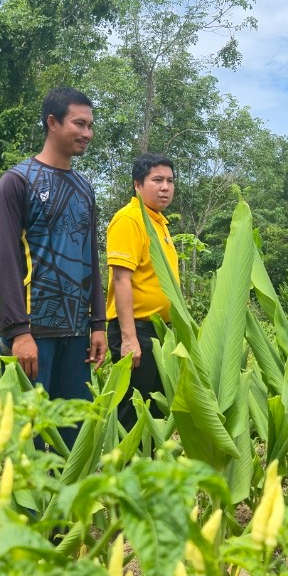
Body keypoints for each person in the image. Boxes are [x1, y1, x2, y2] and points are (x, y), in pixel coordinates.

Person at [0, 87, 106, 446]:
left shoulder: (84, 189)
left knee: (74, 437)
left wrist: (99, 324)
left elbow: (91, 258)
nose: (87, 133)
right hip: (32, 333)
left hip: (76, 332)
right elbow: (5, 259)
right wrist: (18, 332)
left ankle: (70, 504)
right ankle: (26, 506)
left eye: (90, 125)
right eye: (79, 123)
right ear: (52, 123)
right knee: (29, 439)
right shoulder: (18, 182)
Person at [105, 153, 179, 430]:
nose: (165, 187)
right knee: (134, 412)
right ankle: (129, 472)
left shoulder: (158, 223)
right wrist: (129, 338)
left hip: (160, 332)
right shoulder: (129, 220)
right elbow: (121, 280)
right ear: (138, 185)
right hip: (137, 331)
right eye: (157, 180)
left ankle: (149, 469)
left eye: (170, 181)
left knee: (155, 412)